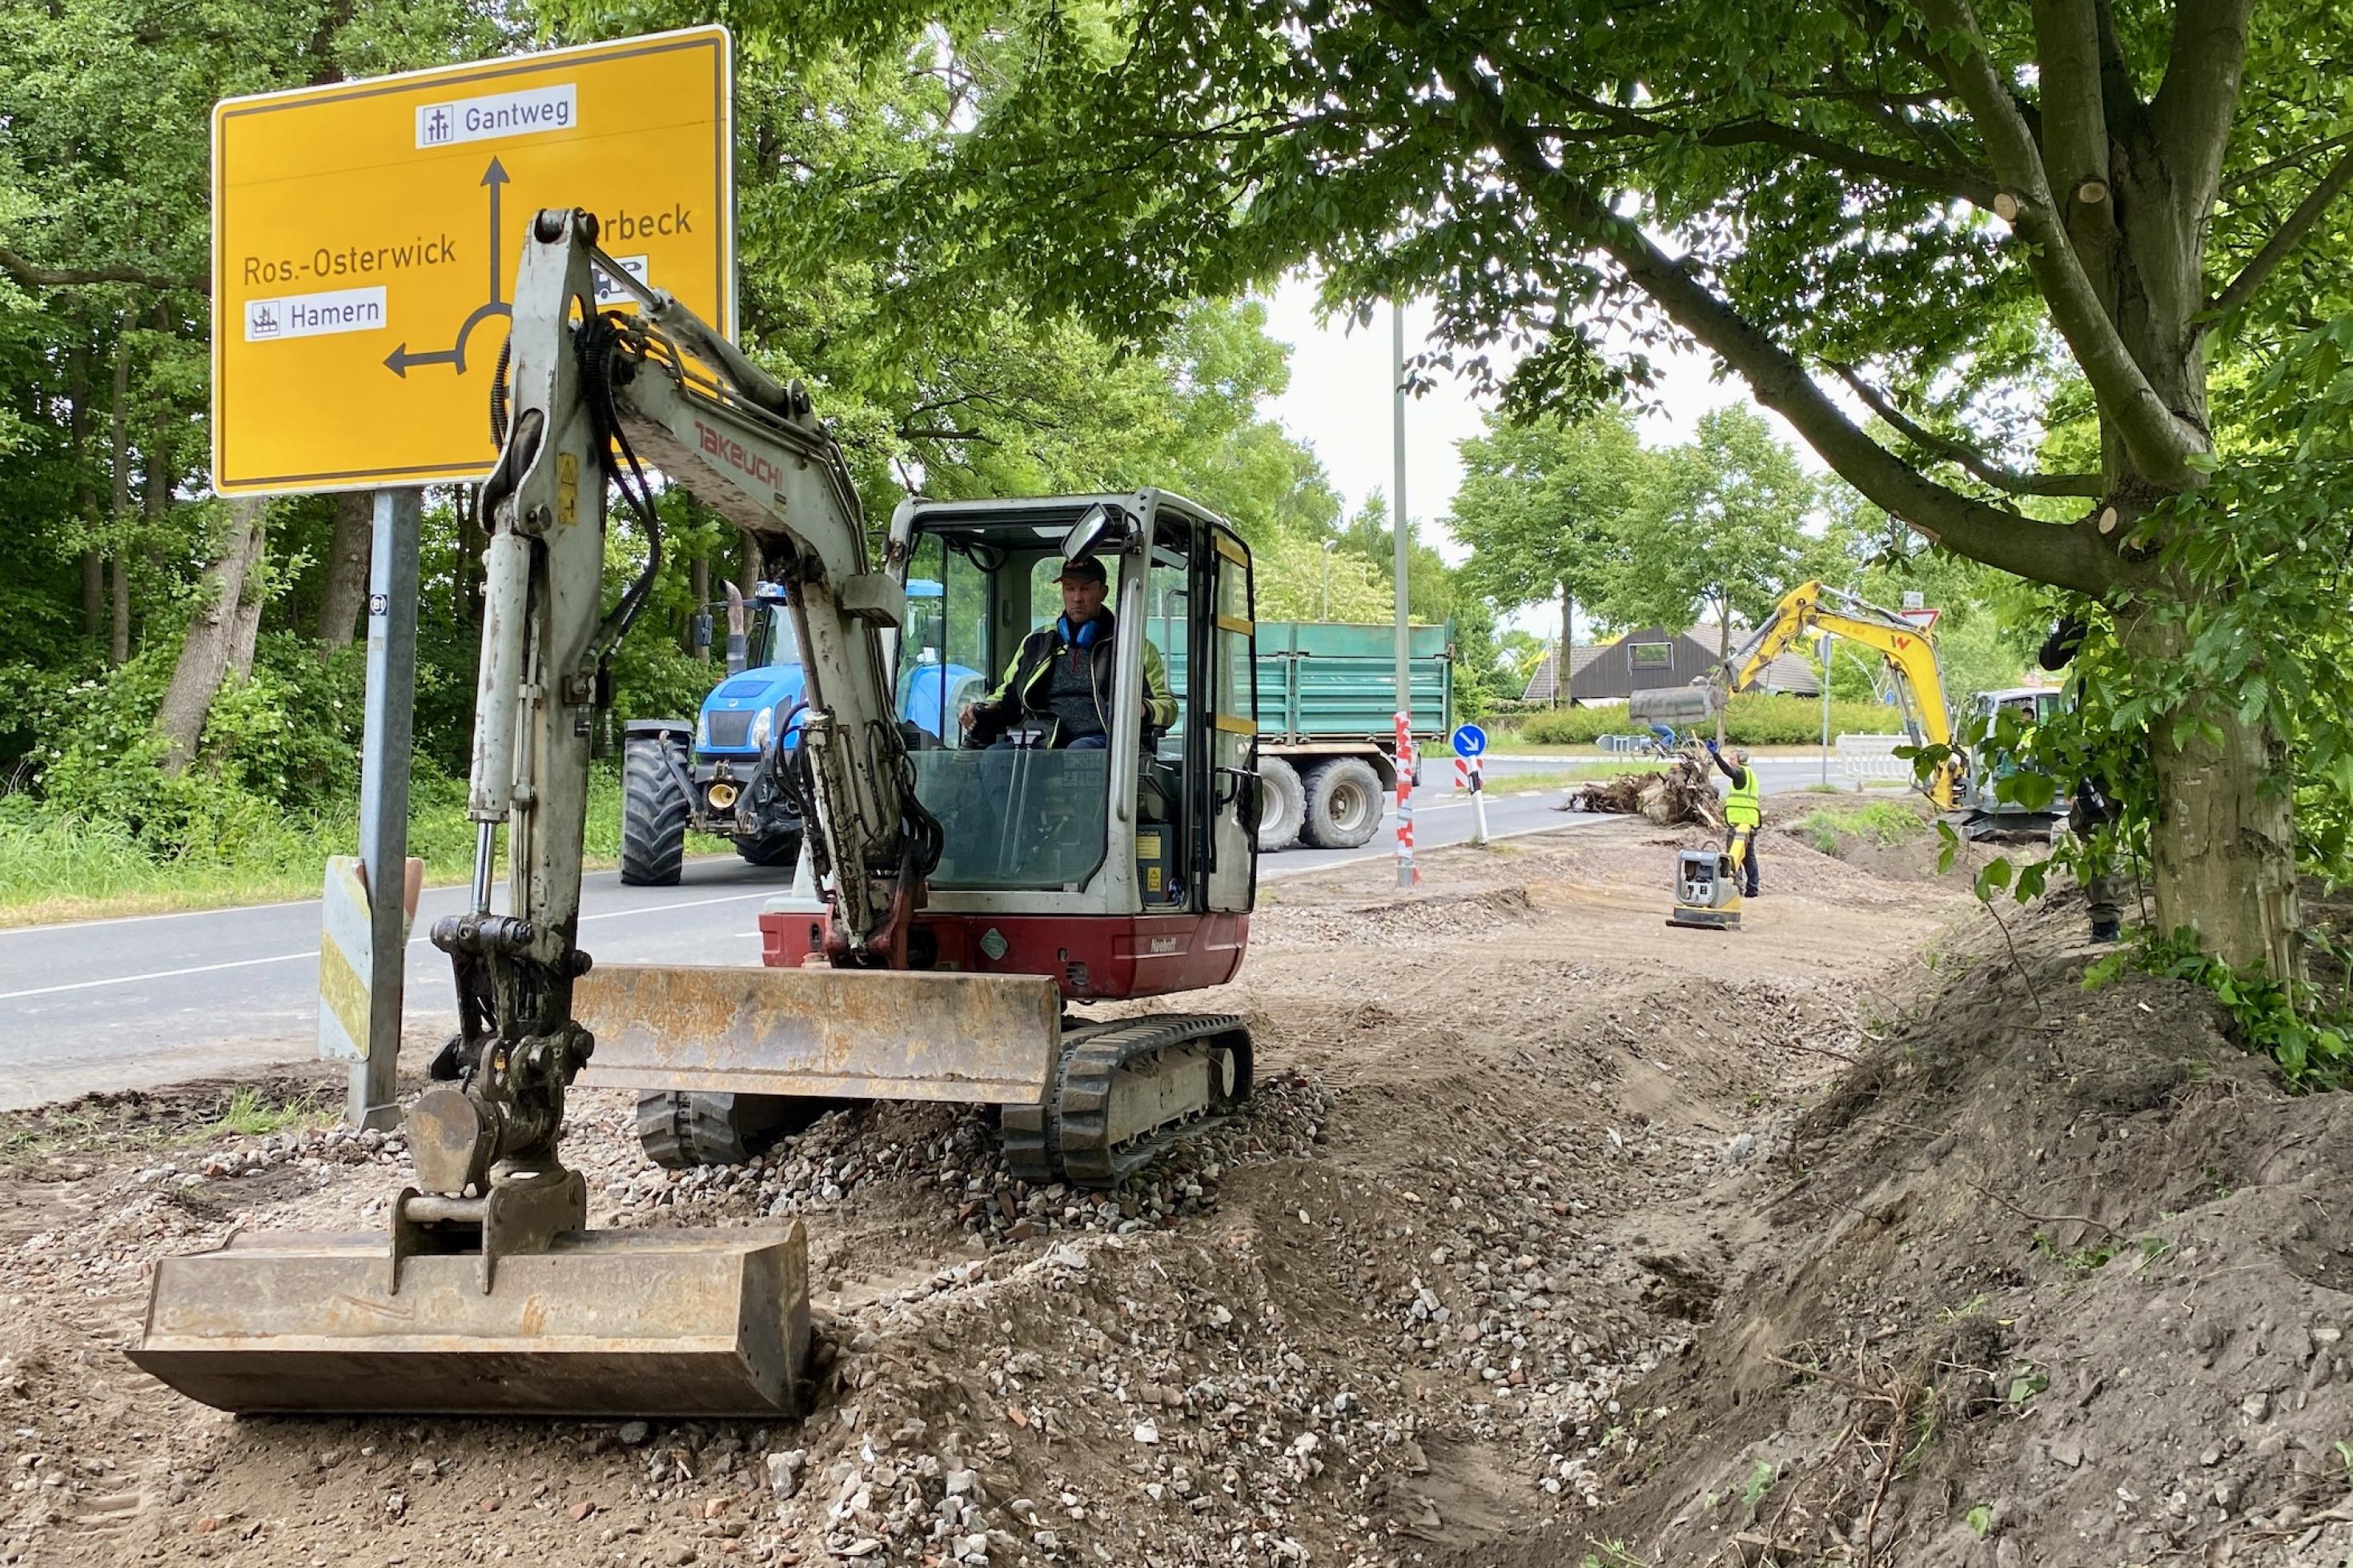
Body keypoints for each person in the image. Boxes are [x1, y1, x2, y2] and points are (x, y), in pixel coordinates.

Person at [958, 555, 1177, 750]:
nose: (1077, 598)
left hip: (1100, 741)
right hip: (1042, 740)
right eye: (1070, 589)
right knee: (995, 758)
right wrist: (979, 710)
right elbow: (1007, 698)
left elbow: (1169, 708)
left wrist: (1143, 710)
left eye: (1085, 589)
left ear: (1103, 592)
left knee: (1078, 751)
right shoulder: (1036, 643)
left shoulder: (1133, 647)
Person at [2039, 616, 2121, 943]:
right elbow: (2050, 658)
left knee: (2093, 826)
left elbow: (2049, 659)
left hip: (2108, 742)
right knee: (2094, 825)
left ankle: (2106, 922)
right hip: (2120, 738)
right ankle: (2107, 922)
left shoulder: (2090, 611)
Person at [1706, 738, 1762, 898]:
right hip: (1749, 821)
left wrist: (1716, 755)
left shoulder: (1740, 774)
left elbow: (1727, 771)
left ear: (1741, 760)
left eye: (1732, 759)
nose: (1730, 762)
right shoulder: (1749, 774)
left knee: (1734, 854)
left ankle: (1735, 887)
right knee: (1748, 856)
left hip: (1739, 822)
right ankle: (1752, 889)